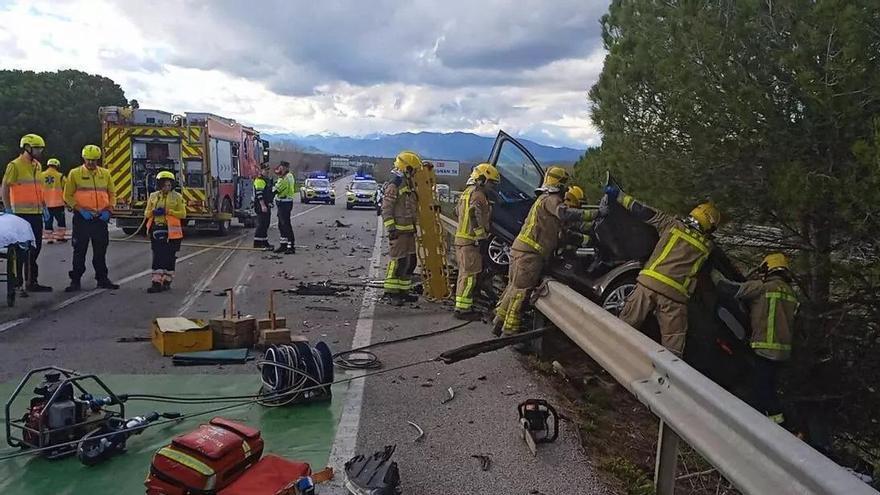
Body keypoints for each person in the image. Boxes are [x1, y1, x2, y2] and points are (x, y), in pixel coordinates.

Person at [604, 183, 721, 356]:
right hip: (674, 296)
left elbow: (643, 211)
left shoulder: (672, 225)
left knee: (625, 325)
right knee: (673, 344)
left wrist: (620, 196)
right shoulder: (708, 248)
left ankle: (607, 356)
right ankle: (667, 377)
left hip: (648, 284)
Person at [494, 167, 595, 335]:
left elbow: (564, 233)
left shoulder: (543, 199)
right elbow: (565, 214)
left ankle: (499, 321)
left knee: (513, 287)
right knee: (521, 292)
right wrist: (593, 214)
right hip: (530, 254)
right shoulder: (552, 199)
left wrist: (585, 236)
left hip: (520, 250)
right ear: (559, 184)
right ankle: (510, 330)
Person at [711, 253, 798, 424]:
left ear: (768, 269)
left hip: (764, 349)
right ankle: (777, 421)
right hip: (783, 352)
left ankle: (771, 424)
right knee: (770, 386)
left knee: (762, 389)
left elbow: (729, 289)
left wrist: (712, 271)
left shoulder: (763, 288)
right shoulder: (791, 294)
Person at [63, 145, 120, 291]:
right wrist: (80, 210)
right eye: (88, 160)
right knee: (79, 251)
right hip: (83, 219)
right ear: (83, 158)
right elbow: (67, 195)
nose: (91, 163)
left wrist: (110, 209)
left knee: (100, 252)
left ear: (98, 160)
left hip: (100, 218)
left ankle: (102, 279)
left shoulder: (105, 174)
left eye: (94, 160)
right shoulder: (74, 174)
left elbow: (112, 193)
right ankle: (75, 280)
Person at [2, 133, 52, 295]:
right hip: (20, 214)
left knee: (34, 248)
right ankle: (18, 283)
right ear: (27, 148)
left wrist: (44, 207)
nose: (39, 151)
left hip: (36, 213)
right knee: (20, 250)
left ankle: (31, 281)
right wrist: (8, 209)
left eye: (41, 149)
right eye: (37, 148)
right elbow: (5, 187)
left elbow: (38, 189)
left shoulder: (37, 165)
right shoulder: (15, 165)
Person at [453, 163, 500, 320]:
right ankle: (463, 309)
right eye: (491, 183)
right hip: (471, 242)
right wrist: (481, 236)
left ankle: (463, 305)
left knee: (464, 274)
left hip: (461, 240)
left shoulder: (466, 193)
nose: (492, 187)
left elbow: (456, 212)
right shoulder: (478, 195)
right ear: (482, 179)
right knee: (470, 276)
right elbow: (474, 215)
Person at [382, 150, 421, 306]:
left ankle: (403, 291)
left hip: (408, 232)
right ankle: (391, 292)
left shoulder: (408, 184)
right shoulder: (395, 185)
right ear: (408, 168)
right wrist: (391, 229)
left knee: (410, 262)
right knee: (398, 262)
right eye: (414, 170)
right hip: (398, 232)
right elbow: (386, 208)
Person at [145, 171, 187, 293]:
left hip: (173, 233)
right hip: (157, 229)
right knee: (158, 256)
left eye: (169, 185)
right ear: (159, 185)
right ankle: (156, 282)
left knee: (169, 257)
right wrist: (154, 212)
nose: (166, 187)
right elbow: (146, 213)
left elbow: (183, 214)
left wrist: (169, 212)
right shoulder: (153, 196)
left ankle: (167, 280)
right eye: (164, 185)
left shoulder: (177, 197)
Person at [41, 158, 67, 244]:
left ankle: (49, 239)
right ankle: (60, 237)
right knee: (61, 221)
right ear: (57, 166)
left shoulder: (41, 175)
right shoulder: (60, 176)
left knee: (48, 221)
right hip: (58, 203)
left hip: (45, 203)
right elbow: (66, 188)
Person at [273, 160, 296, 254]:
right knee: (281, 225)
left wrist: (272, 191)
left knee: (286, 224)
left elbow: (278, 188)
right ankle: (283, 245)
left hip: (285, 203)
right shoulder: (284, 176)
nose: (280, 169)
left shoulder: (287, 177)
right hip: (282, 202)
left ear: (286, 168)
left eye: (281, 167)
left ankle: (290, 246)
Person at [252, 165, 274, 250]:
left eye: (268, 170)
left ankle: (264, 242)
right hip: (261, 206)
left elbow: (268, 193)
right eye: (265, 170)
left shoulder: (267, 180)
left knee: (266, 224)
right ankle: (257, 243)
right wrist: (263, 205)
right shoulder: (259, 180)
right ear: (261, 171)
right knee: (261, 224)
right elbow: (259, 194)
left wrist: (270, 202)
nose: (267, 172)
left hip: (266, 205)